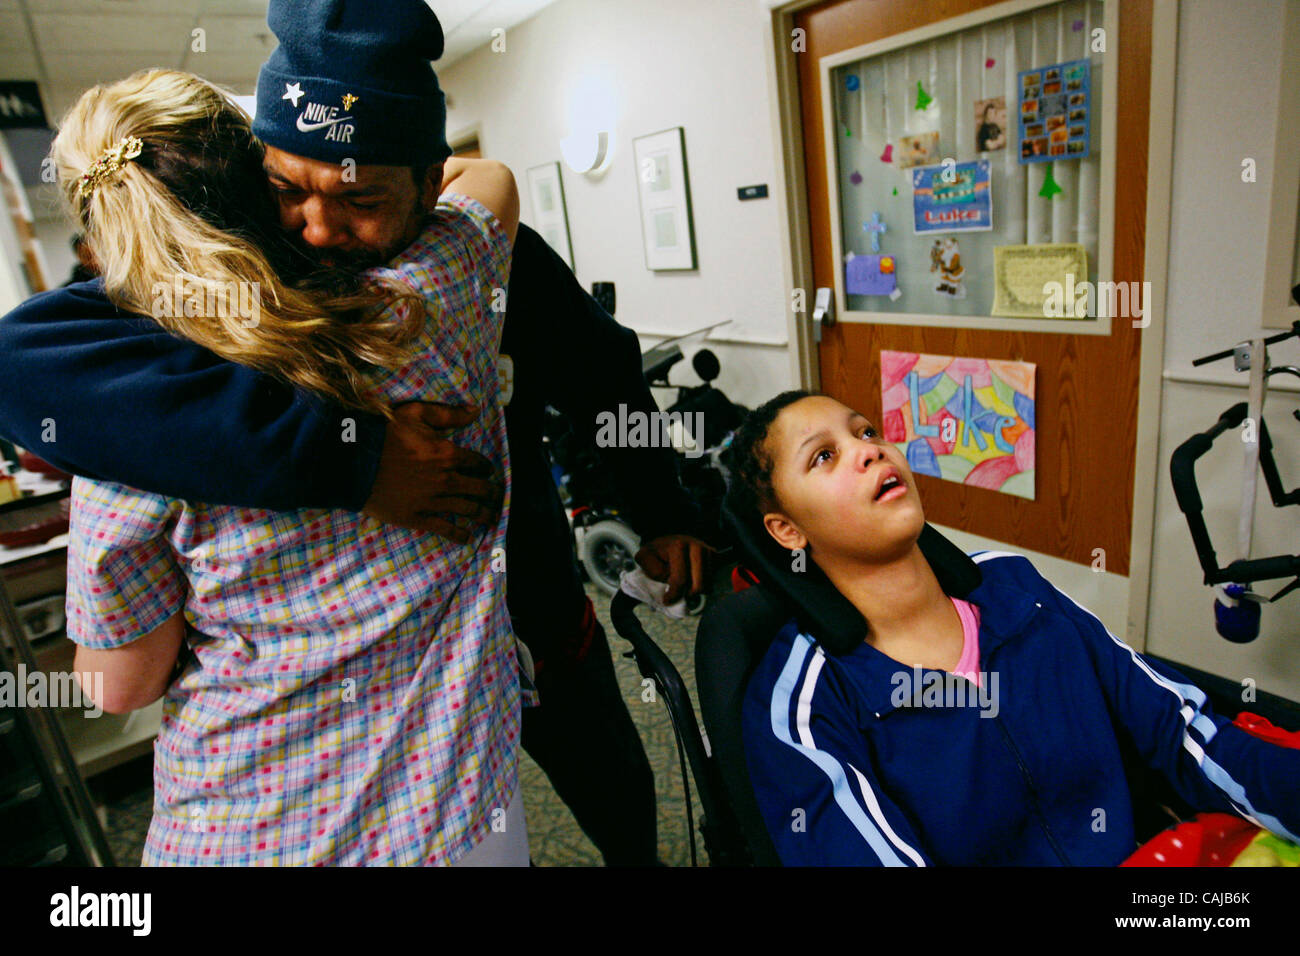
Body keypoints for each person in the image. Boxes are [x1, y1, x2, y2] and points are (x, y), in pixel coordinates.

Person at [0, 0, 710, 865]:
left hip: (523, 591)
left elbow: (601, 371)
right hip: (393, 720)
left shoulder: (478, 262)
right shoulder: (197, 319)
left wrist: (659, 506)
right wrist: (358, 458)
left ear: (429, 180)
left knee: (614, 792)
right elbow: (32, 354)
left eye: (362, 198)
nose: (318, 229)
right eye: (285, 189)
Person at [49, 59, 524, 866]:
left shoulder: (122, 435)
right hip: (459, 807)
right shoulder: (430, 297)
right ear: (254, 174)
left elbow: (116, 687)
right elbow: (492, 177)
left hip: (250, 830)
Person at [728, 390, 1300, 866]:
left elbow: (1180, 733)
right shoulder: (803, 703)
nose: (868, 452)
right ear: (786, 531)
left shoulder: (1016, 590)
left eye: (868, 432)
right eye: (824, 456)